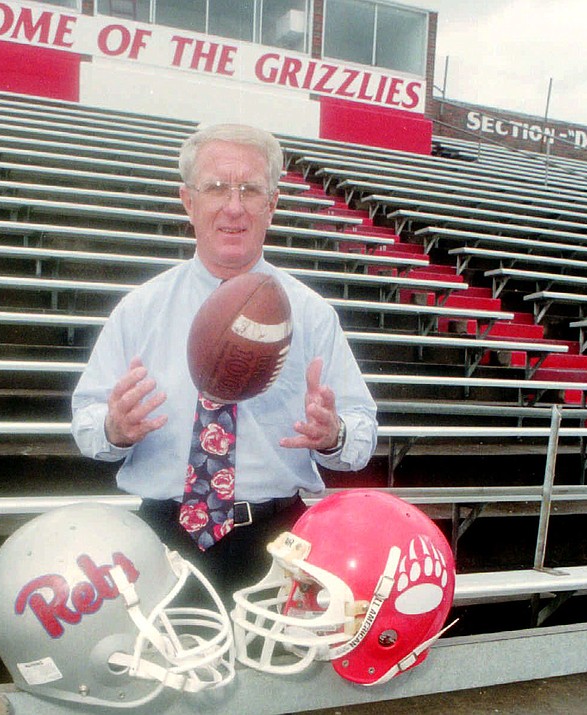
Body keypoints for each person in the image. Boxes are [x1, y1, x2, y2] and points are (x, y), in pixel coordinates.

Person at [71, 123, 377, 595]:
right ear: (188, 201)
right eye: (216, 188)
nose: (234, 207)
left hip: (279, 540)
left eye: (251, 190)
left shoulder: (312, 315)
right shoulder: (140, 309)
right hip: (160, 539)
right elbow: (85, 425)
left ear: (271, 205)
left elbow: (363, 435)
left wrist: (333, 433)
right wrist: (114, 427)